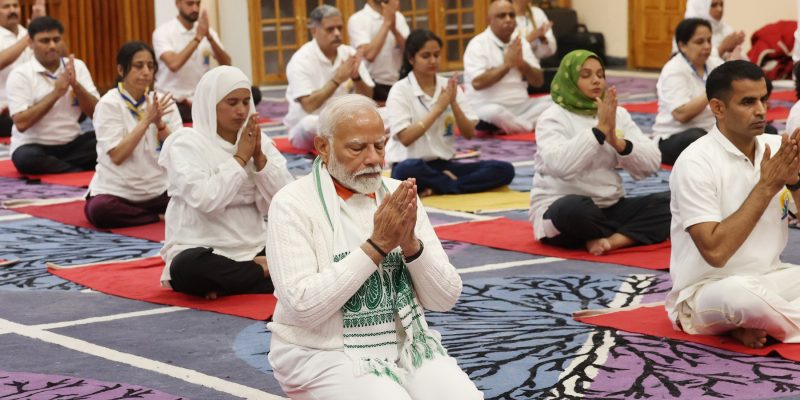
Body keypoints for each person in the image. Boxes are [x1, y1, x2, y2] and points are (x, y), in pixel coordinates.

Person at [266, 94, 482, 399]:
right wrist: (377, 246)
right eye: (357, 148)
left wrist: (410, 245)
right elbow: (303, 308)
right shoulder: (292, 204)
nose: (373, 159)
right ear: (323, 147)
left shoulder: (398, 196)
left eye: (379, 146)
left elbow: (445, 298)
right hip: (321, 352)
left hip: (406, 344)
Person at [667, 60, 800, 349]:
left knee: (757, 295)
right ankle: (759, 321)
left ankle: (761, 325)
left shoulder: (776, 148)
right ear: (718, 108)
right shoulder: (695, 162)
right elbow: (716, 252)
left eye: (764, 99)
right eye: (748, 102)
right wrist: (766, 187)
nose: (762, 110)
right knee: (742, 295)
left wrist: (795, 184)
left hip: (770, 277)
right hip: (710, 289)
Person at [158, 66, 294, 299]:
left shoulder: (258, 142)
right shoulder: (184, 143)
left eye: (245, 102)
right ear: (211, 104)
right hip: (202, 247)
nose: (241, 110)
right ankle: (262, 273)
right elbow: (207, 200)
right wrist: (240, 158)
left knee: (308, 250)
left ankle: (231, 283)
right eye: (232, 103)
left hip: (254, 247)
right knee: (186, 268)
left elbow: (288, 201)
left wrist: (260, 160)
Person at [529, 50, 668, 255]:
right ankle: (623, 233)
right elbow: (560, 166)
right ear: (569, 79)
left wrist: (617, 142)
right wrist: (598, 131)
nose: (596, 81)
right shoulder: (552, 117)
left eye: (600, 75)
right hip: (562, 205)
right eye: (586, 75)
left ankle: (610, 241)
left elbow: (652, 163)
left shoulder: (616, 114)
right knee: (573, 210)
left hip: (609, 205)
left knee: (673, 204)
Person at [386, 29, 514, 196]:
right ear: (411, 59)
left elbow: (469, 134)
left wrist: (453, 103)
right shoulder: (400, 90)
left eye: (436, 55)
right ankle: (450, 185)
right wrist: (439, 107)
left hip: (443, 165)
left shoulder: (449, 86)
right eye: (426, 56)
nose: (433, 61)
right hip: (410, 166)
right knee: (406, 170)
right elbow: (405, 138)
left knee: (504, 169)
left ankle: (443, 186)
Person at [84, 42, 182, 229]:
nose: (146, 72)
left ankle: (149, 214)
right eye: (138, 66)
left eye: (150, 66)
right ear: (121, 69)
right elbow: (118, 156)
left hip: (159, 189)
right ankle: (154, 217)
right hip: (118, 191)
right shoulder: (108, 104)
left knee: (192, 202)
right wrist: (146, 121)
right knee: (100, 211)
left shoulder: (163, 101)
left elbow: (179, 152)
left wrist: (160, 125)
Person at [8, 16, 99, 174]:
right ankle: (77, 171)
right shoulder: (20, 74)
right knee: (26, 158)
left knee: (107, 143)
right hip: (34, 145)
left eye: (56, 40)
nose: (52, 46)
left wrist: (76, 86)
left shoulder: (77, 66)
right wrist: (56, 93)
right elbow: (21, 124)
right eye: (45, 41)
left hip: (73, 142)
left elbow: (98, 114)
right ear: (30, 43)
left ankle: (63, 168)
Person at [284, 5, 375, 152]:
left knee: (386, 114)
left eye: (339, 28)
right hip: (310, 126)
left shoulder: (349, 53)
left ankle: (353, 141)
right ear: (314, 31)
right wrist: (337, 79)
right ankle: (355, 141)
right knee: (310, 123)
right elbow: (308, 105)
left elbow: (369, 99)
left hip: (346, 122)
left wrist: (356, 77)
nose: (337, 33)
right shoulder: (301, 60)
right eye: (330, 29)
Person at [463, 0, 548, 134]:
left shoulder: (521, 43)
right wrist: (507, 65)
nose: (508, 20)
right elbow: (477, 83)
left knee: (556, 101)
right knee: (493, 113)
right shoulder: (478, 44)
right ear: (489, 20)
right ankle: (528, 126)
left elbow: (539, 81)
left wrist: (522, 65)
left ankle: (511, 127)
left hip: (522, 106)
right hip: (487, 106)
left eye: (511, 15)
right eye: (501, 16)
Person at [652, 18, 724, 166]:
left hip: (713, 130)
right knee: (698, 138)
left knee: (762, 130)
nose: (707, 46)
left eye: (709, 40)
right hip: (675, 136)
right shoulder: (673, 70)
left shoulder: (715, 64)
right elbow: (681, 114)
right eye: (699, 42)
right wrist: (712, 89)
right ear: (682, 45)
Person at [152, 0, 231, 123]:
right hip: (172, 99)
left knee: (249, 94)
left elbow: (227, 64)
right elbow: (174, 64)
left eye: (198, 4)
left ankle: (201, 111)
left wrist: (209, 37)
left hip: (199, 97)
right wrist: (198, 38)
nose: (195, 8)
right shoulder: (163, 32)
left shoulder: (206, 30)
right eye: (190, 4)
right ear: (178, 4)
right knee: (176, 111)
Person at [348, 0, 409, 102]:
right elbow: (370, 55)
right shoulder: (357, 19)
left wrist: (394, 30)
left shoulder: (398, 17)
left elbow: (409, 53)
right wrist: (387, 23)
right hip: (372, 86)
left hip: (399, 82)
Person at [0, 0, 45, 137]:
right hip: (4, 111)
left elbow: (58, 58)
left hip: (33, 107)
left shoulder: (28, 33)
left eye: (15, 6)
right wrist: (31, 34)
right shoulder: (29, 35)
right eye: (6, 7)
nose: (12, 10)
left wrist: (43, 25)